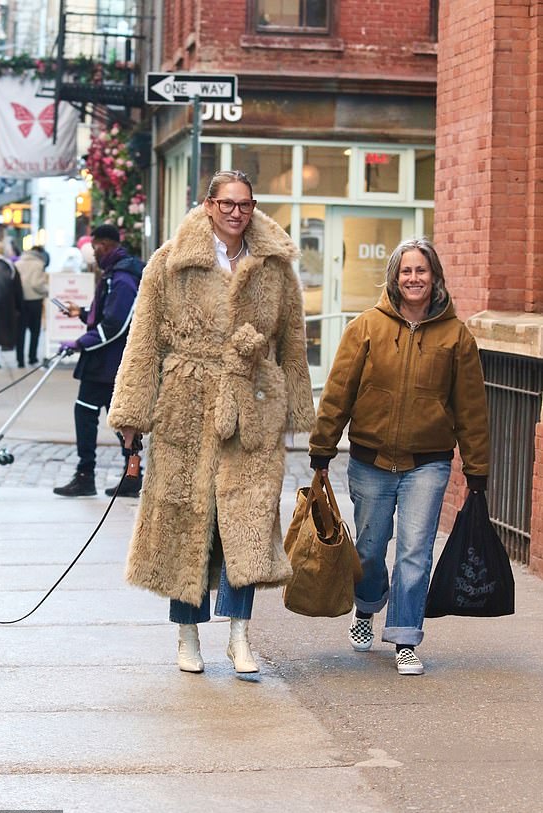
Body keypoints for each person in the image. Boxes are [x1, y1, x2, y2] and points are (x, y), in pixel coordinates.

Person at [106, 170, 315, 675]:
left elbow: (291, 341)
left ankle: (241, 635)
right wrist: (133, 414)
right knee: (188, 517)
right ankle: (187, 634)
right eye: (227, 204)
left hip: (252, 406)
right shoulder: (169, 262)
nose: (236, 213)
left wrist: (297, 412)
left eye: (245, 204)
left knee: (245, 521)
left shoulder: (274, 267)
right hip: (186, 405)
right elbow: (144, 343)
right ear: (208, 205)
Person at [309, 238, 490, 676]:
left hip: (427, 462)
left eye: (421, 271)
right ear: (395, 277)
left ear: (435, 278)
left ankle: (406, 635)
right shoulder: (366, 327)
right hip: (370, 461)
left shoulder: (455, 336)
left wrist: (477, 468)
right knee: (370, 550)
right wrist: (321, 449)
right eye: (406, 271)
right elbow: (338, 393)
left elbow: (471, 407)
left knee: (415, 551)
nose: (414, 279)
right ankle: (366, 608)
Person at [53, 224, 145, 498]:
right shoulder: (114, 274)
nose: (93, 253)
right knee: (121, 423)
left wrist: (81, 343)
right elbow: (105, 315)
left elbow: (117, 323)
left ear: (107, 245)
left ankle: (87, 476)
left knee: (101, 418)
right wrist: (81, 313)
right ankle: (129, 477)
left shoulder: (123, 278)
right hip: (106, 362)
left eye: (95, 248)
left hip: (108, 363)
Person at [14, 246, 49, 367]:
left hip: (20, 301)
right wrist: (46, 291)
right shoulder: (39, 264)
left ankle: (20, 360)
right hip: (35, 300)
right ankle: (32, 357)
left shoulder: (17, 263)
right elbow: (36, 283)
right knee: (35, 331)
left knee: (20, 331)